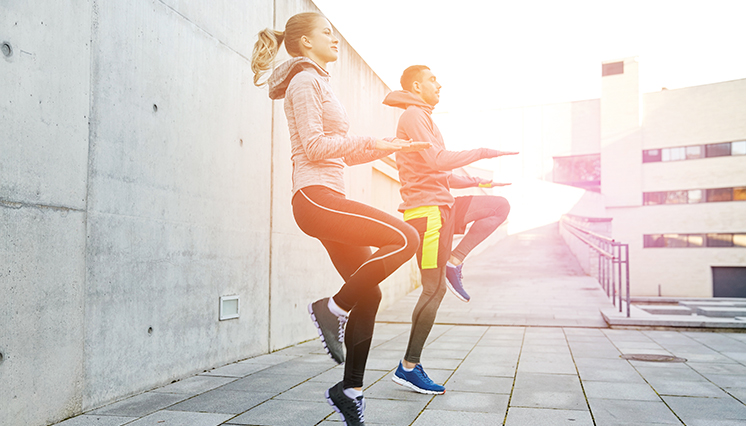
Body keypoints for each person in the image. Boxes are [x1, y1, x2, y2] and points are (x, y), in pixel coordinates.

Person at [251, 13, 430, 426]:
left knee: (371, 295)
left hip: (329, 196)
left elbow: (341, 150)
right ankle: (331, 308)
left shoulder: (318, 80)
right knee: (405, 238)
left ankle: (349, 390)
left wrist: (391, 146)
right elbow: (316, 146)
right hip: (315, 199)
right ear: (304, 42)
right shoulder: (304, 81)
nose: (333, 39)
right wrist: (378, 142)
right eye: (326, 32)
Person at [382, 65, 517, 394]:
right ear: (417, 85)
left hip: (441, 205)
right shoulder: (414, 114)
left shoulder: (424, 117)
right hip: (426, 213)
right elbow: (439, 161)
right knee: (433, 290)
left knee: (499, 206)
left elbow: (443, 174)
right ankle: (408, 367)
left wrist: (481, 180)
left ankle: (456, 260)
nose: (439, 85)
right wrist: (483, 152)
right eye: (432, 80)